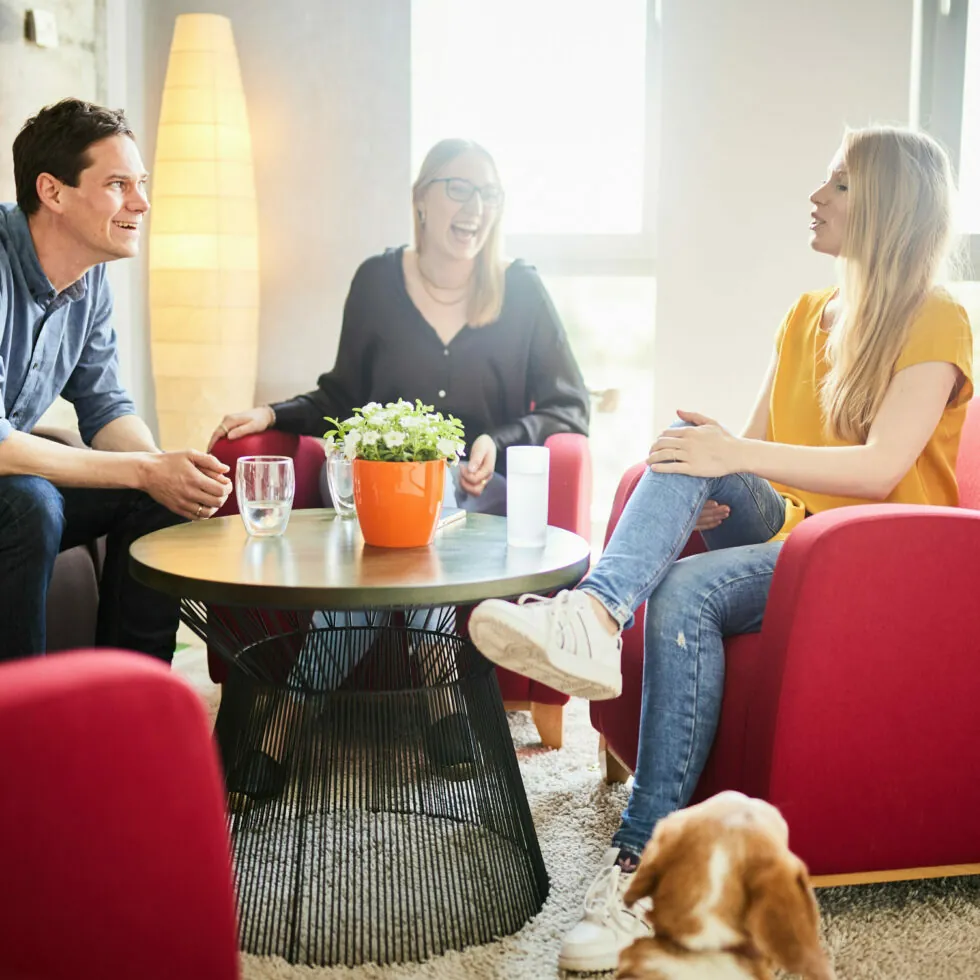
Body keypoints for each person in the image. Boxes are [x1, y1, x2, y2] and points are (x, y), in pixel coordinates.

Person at [468, 126, 974, 973]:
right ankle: (592, 614)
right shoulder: (808, 315)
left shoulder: (939, 316)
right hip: (794, 532)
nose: (816, 197)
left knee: (686, 589)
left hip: (879, 567)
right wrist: (708, 479)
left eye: (839, 185)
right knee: (686, 438)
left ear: (888, 203)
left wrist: (731, 458)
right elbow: (760, 449)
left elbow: (884, 470)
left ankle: (639, 868)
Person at [210, 138, 590, 802]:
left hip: (476, 498)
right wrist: (269, 411)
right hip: (381, 498)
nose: (475, 209)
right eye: (458, 189)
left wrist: (498, 441)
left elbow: (569, 406)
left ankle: (285, 723)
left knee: (423, 507)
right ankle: (443, 699)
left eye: (488, 194)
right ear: (421, 199)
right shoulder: (377, 283)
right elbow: (339, 396)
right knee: (398, 520)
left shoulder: (521, 288)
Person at [0, 98, 232, 662]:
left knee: (158, 500)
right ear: (53, 192)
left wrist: (163, 470)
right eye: (119, 184)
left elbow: (104, 405)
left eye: (142, 183)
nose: (142, 202)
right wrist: (145, 469)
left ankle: (132, 706)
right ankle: (24, 722)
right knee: (31, 504)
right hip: (13, 485)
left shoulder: (90, 273)